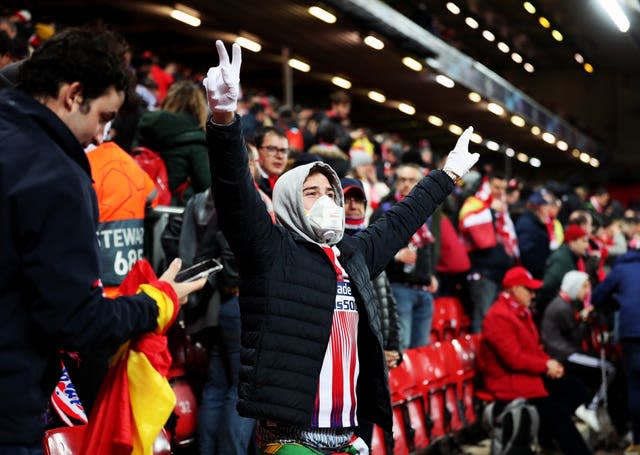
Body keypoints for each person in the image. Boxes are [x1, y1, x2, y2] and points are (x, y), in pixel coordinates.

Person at [202, 40, 479, 454]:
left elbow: (402, 219)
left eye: (331, 192)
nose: (328, 202)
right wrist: (225, 120)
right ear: (289, 201)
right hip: (291, 440)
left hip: (347, 437)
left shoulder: (353, 254)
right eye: (312, 193)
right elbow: (234, 193)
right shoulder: (270, 250)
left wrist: (448, 174)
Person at [0, 27, 205, 452]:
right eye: (103, 118)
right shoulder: (56, 174)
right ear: (73, 95)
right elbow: (75, 320)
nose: (99, 137)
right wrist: (157, 302)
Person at [478, 266, 592, 455]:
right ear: (514, 289)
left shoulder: (521, 312)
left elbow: (534, 348)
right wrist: (545, 365)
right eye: (528, 290)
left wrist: (550, 364)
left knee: (575, 389)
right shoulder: (499, 316)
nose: (533, 295)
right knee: (558, 413)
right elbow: (513, 359)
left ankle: (545, 437)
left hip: (526, 377)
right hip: (509, 384)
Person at [592, 246, 640, 453]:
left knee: (636, 385)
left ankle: (638, 439)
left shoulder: (620, 270)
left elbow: (597, 297)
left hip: (631, 332)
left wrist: (617, 304)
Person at [133, 80, 211, 206]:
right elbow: (207, 184)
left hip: (141, 202)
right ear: (199, 106)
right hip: (176, 212)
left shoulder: (146, 127)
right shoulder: (197, 138)